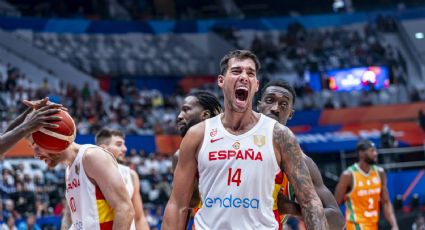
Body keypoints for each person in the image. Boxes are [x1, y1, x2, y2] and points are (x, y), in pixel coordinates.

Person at [163, 50, 328, 229]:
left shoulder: (279, 135)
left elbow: (310, 202)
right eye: (236, 71)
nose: (244, 77)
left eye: (250, 73)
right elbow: (177, 205)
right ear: (221, 81)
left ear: (256, 85)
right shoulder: (198, 134)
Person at [25, 104, 134, 230]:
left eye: (37, 147)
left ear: (52, 137)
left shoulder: (92, 157)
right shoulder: (69, 169)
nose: (36, 155)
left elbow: (125, 209)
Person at [257, 80, 345, 230]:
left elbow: (337, 220)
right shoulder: (232, 145)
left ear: (291, 114)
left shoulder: (300, 161)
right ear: (259, 106)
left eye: (284, 104)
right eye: (270, 100)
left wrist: (291, 208)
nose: (275, 108)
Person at [174, 90, 223, 228]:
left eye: (186, 110)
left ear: (205, 115)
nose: (179, 116)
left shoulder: (235, 149)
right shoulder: (180, 156)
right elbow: (183, 208)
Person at [334, 139, 398, 230]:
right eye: (372, 150)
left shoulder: (379, 172)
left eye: (375, 150)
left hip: (373, 224)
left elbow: (386, 202)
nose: (376, 153)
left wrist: (394, 225)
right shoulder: (348, 175)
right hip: (356, 225)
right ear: (361, 153)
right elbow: (335, 203)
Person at [95, 128, 150, 230]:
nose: (125, 149)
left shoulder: (131, 175)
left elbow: (139, 217)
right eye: (119, 144)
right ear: (103, 148)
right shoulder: (88, 174)